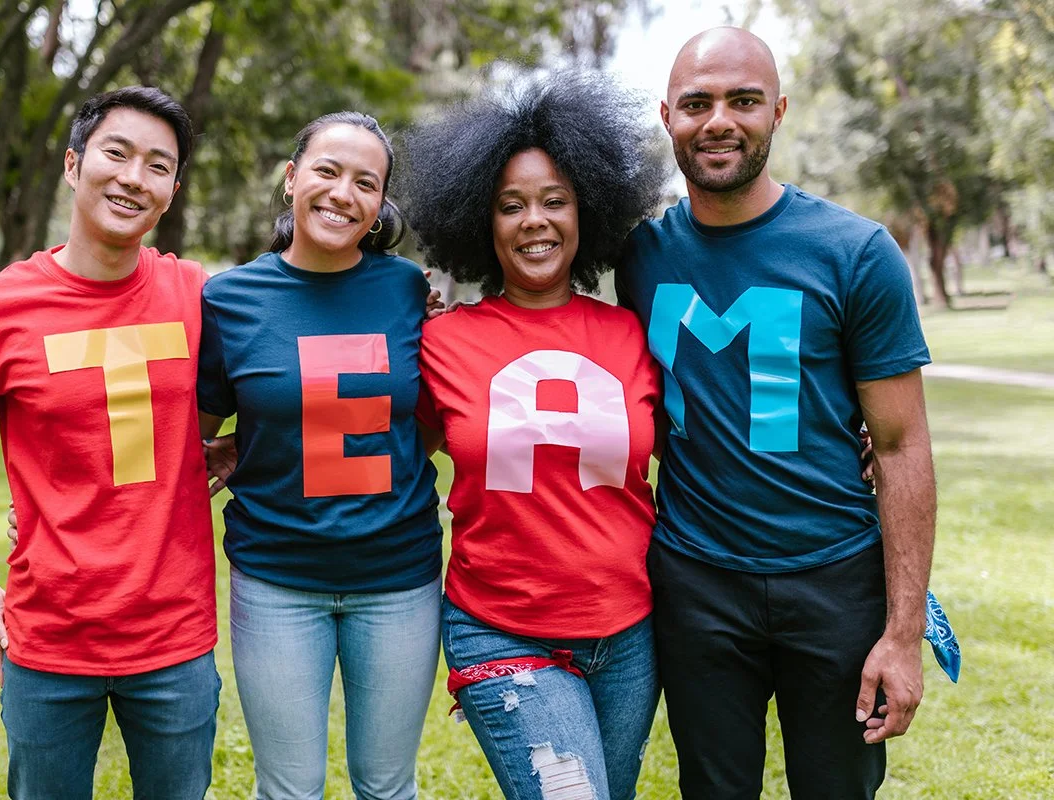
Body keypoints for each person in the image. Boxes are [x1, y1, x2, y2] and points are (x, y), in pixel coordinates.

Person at [616, 27, 937, 799]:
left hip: (834, 582)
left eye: (743, 100)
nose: (718, 120)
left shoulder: (856, 253)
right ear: (668, 118)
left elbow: (899, 445)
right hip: (697, 582)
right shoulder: (640, 256)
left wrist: (902, 634)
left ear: (779, 111)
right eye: (697, 103)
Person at [0, 87, 221, 799]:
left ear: (171, 192)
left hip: (173, 637)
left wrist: (234, 449)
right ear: (73, 164)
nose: (132, 177)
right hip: (48, 638)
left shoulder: (196, 295)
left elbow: (289, 372)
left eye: (157, 166)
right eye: (116, 153)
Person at [399, 75, 669, 800]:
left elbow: (705, 438)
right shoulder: (441, 343)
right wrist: (250, 443)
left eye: (555, 201)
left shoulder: (633, 335)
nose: (534, 222)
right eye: (510, 206)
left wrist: (849, 437)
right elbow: (381, 434)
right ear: (479, 221)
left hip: (632, 633)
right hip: (502, 628)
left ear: (587, 212)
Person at [195, 111, 442, 800]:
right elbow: (188, 438)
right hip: (277, 579)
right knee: (288, 788)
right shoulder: (230, 299)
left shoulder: (407, 291)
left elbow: (432, 417)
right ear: (291, 179)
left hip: (399, 578)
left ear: (380, 205)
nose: (343, 193)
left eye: (366, 182)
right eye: (328, 171)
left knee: (388, 785)